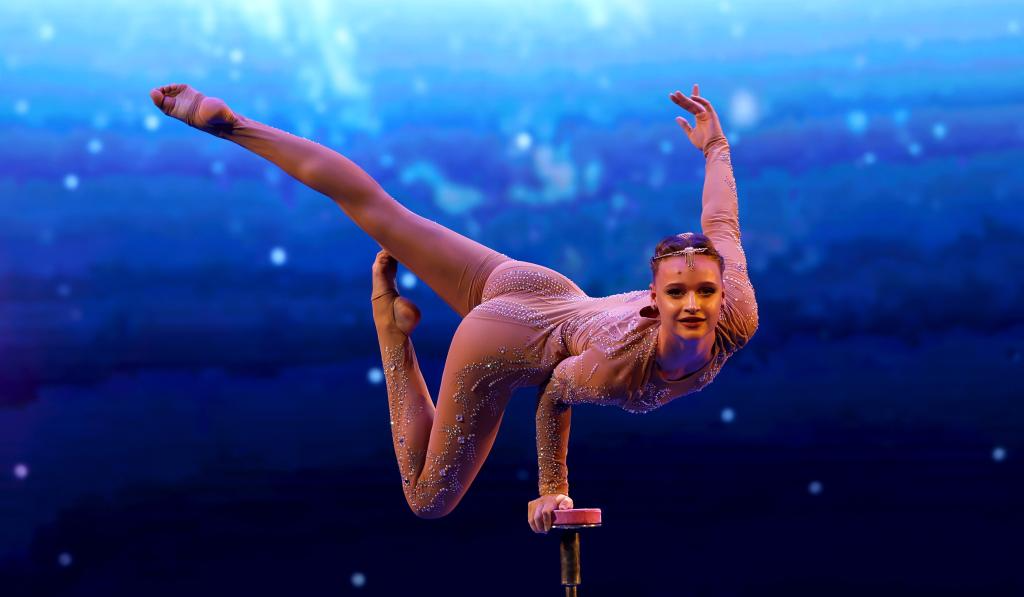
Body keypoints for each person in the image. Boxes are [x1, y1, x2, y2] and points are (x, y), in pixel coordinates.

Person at [149, 81, 758, 535]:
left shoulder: (739, 312)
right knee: (427, 499)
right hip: (503, 342)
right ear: (653, 299)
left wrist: (715, 147)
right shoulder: (621, 368)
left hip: (539, 287)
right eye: (676, 293)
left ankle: (232, 125)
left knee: (385, 214)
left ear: (721, 289)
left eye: (705, 291)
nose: (694, 305)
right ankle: (389, 327)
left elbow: (721, 224)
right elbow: (553, 396)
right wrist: (553, 488)